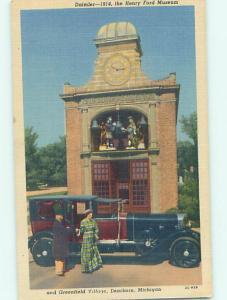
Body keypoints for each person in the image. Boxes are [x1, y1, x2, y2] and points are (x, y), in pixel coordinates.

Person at [80, 209, 103, 273]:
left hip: (92, 239)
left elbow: (96, 229)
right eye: (90, 214)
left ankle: (93, 267)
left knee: (92, 252)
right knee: (87, 253)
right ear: (87, 215)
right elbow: (82, 231)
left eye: (91, 214)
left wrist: (96, 235)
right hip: (86, 239)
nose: (91, 215)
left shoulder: (93, 221)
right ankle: (86, 268)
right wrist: (79, 231)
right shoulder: (83, 222)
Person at [52, 207, 71, 276]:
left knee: (61, 256)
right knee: (59, 257)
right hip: (59, 243)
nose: (62, 217)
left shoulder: (59, 222)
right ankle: (59, 271)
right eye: (61, 215)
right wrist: (68, 229)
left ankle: (61, 270)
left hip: (60, 243)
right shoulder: (57, 224)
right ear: (57, 216)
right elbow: (64, 232)